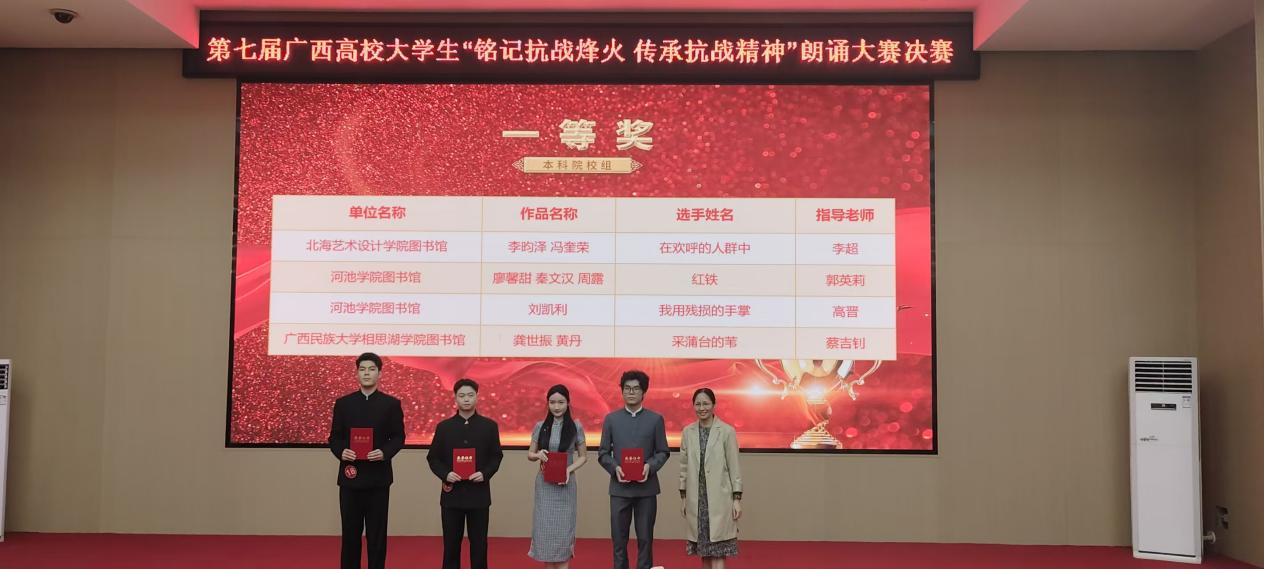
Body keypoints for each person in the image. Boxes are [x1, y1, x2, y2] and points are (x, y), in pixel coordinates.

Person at [328, 352, 406, 569]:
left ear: (379, 374)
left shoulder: (391, 404)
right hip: (350, 478)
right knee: (350, 534)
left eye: (371, 369)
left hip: (378, 479)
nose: (366, 373)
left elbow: (398, 437)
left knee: (377, 536)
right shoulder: (343, 404)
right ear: (357, 373)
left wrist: (384, 452)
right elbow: (334, 438)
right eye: (362, 369)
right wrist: (341, 451)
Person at [427, 378, 504, 569]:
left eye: (470, 395)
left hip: (479, 496)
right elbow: (433, 458)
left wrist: (484, 473)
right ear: (455, 398)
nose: (466, 399)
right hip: (452, 496)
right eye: (462, 396)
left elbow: (496, 456)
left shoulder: (489, 426)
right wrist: (446, 474)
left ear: (477, 397)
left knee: (479, 545)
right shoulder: (444, 427)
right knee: (451, 546)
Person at [598, 370, 670, 569]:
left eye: (636, 389)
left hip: (646, 490)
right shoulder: (611, 419)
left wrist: (649, 466)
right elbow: (603, 453)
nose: (631, 392)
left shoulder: (655, 419)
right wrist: (615, 468)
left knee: (645, 540)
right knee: (618, 540)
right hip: (619, 489)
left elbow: (663, 452)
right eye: (627, 388)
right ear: (622, 391)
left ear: (643, 392)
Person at [678, 388, 743, 569]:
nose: (702, 408)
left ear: (714, 405)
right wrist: (683, 498)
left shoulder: (727, 431)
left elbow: (734, 466)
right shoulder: (688, 432)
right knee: (704, 551)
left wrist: (736, 499)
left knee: (718, 550)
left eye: (706, 403)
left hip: (720, 499)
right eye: (698, 404)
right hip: (697, 500)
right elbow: (683, 467)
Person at [527, 384, 589, 569]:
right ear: (547, 404)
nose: (556, 406)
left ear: (568, 403)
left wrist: (568, 470)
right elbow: (530, 454)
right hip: (545, 486)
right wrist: (538, 455)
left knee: (563, 533)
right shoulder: (540, 426)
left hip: (566, 485)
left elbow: (583, 456)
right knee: (545, 531)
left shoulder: (576, 426)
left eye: (561, 402)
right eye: (552, 402)